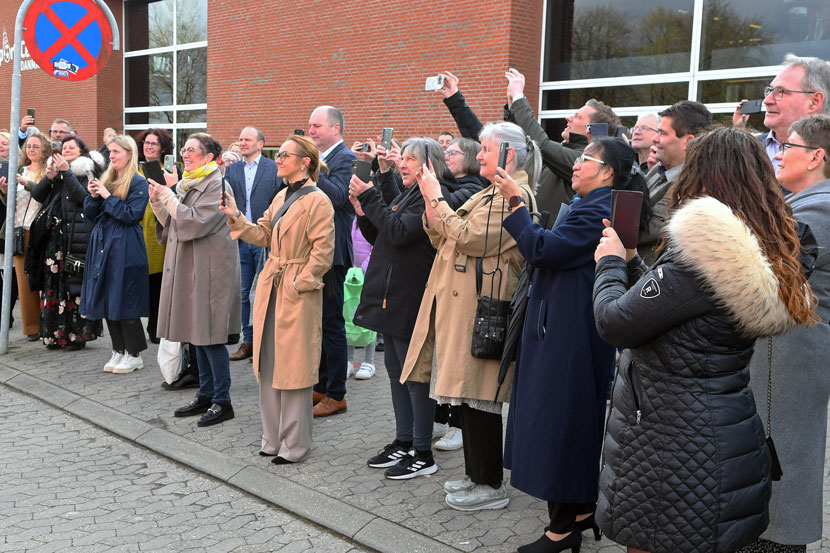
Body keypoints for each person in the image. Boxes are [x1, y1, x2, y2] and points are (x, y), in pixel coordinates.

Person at [592, 127, 817, 553]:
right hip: (721, 431)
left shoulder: (702, 257)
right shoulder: (761, 248)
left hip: (671, 446)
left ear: (703, 178)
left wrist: (608, 265)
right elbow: (674, 308)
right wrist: (635, 262)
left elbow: (615, 323)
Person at [498, 138, 650, 553]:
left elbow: (545, 250)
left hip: (570, 335)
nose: (577, 164)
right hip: (562, 328)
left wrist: (517, 208)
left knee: (559, 426)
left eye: (586, 159)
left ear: (607, 172)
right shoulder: (589, 205)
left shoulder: (599, 211)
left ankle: (562, 530)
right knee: (564, 421)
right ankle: (580, 510)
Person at [401, 121, 539, 511]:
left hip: (482, 308)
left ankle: (490, 485)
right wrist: (432, 203)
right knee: (465, 396)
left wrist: (435, 197)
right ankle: (476, 475)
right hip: (464, 305)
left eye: (485, 148)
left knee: (481, 399)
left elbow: (468, 237)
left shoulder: (515, 195)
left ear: (508, 155)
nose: (479, 155)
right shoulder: (491, 192)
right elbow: (444, 233)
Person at [350, 137, 477, 480]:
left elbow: (400, 231)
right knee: (395, 372)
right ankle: (404, 441)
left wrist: (369, 196)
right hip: (391, 296)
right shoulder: (409, 193)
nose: (402, 164)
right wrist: (364, 214)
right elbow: (384, 237)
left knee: (414, 378)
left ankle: (423, 451)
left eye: (410, 159)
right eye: (401, 157)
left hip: (413, 299)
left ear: (429, 166)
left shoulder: (434, 199)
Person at [740, 115, 830, 553]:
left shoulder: (819, 206)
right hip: (786, 357)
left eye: (786, 146)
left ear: (816, 156)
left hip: (789, 361)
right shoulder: (804, 202)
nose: (778, 153)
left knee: (781, 473)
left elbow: (754, 266)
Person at [222, 134, 335, 463]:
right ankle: (272, 438)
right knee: (268, 364)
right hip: (272, 287)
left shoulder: (319, 201)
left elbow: (323, 253)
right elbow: (264, 234)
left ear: (305, 162)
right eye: (279, 154)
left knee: (295, 370)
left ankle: (295, 444)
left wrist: (301, 283)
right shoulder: (282, 194)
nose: (279, 159)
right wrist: (236, 218)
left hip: (295, 291)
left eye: (286, 154)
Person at [149, 132, 241, 427]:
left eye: (191, 151)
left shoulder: (217, 185)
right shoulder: (191, 183)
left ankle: (222, 401)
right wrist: (159, 202)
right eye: (184, 150)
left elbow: (193, 222)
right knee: (196, 333)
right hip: (192, 267)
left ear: (210, 157)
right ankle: (205, 393)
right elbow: (174, 222)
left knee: (211, 335)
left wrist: (168, 195)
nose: (185, 155)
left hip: (210, 270)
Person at [433, 136, 488, 452]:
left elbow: (462, 234)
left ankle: (458, 424)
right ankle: (446, 416)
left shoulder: (472, 189)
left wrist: (432, 192)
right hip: (449, 281)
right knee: (446, 357)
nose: (447, 156)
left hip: (468, 286)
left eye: (452, 152)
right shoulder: (454, 187)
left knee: (460, 359)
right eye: (445, 152)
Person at [80, 135, 150, 374]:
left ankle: (134, 354)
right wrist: (92, 196)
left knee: (125, 298)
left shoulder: (138, 182)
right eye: (110, 152)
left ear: (129, 154)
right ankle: (118, 349)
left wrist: (108, 197)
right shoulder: (108, 178)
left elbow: (132, 215)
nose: (112, 156)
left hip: (125, 244)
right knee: (108, 299)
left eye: (117, 151)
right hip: (103, 242)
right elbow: (91, 215)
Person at [306, 106, 358, 417]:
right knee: (320, 323)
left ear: (335, 129)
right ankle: (323, 384)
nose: (311, 130)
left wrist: (312, 168)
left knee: (332, 325)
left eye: (317, 125)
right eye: (309, 125)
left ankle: (337, 394)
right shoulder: (327, 158)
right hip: (318, 250)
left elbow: (339, 198)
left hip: (334, 254)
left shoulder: (346, 158)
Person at [30, 136, 103, 350]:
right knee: (54, 287)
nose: (67, 150)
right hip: (54, 241)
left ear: (81, 150)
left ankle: (76, 336)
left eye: (72, 147)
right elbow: (37, 195)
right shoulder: (58, 172)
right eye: (64, 147)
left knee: (74, 289)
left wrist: (66, 172)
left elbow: (84, 199)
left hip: (75, 238)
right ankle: (55, 335)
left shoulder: (86, 171)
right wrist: (49, 177)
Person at [225, 127, 279, 362]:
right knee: (244, 292)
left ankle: (266, 343)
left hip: (264, 237)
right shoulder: (231, 170)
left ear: (261, 144)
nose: (242, 143)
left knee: (265, 293)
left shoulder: (273, 168)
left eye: (247, 139)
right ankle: (248, 342)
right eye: (240, 140)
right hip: (240, 238)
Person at [637, 100, 711, 266]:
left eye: (662, 133)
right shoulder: (657, 169)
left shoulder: (695, 185)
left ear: (688, 141)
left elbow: (642, 230)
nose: (655, 139)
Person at [734, 54, 830, 171]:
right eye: (770, 91)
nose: (767, 101)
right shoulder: (747, 148)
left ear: (815, 101)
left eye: (781, 92)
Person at [136, 128, 175, 344]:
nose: (149, 147)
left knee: (158, 281)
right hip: (139, 229)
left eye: (154, 143)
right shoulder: (135, 169)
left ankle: (156, 326)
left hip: (159, 230)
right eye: (146, 143)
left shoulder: (168, 170)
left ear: (163, 148)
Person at [10, 133, 50, 340]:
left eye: (36, 146)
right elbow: (10, 202)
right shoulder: (19, 170)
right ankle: (31, 328)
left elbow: (45, 195)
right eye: (28, 146)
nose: (31, 150)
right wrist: (3, 190)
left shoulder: (48, 172)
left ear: (44, 150)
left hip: (41, 232)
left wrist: (27, 183)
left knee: (44, 278)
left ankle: (48, 322)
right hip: (19, 230)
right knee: (24, 282)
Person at [0, 132, 19, 327]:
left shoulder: (17, 168)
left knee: (10, 274)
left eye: (4, 143)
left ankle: (7, 314)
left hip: (7, 229)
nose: (1, 147)